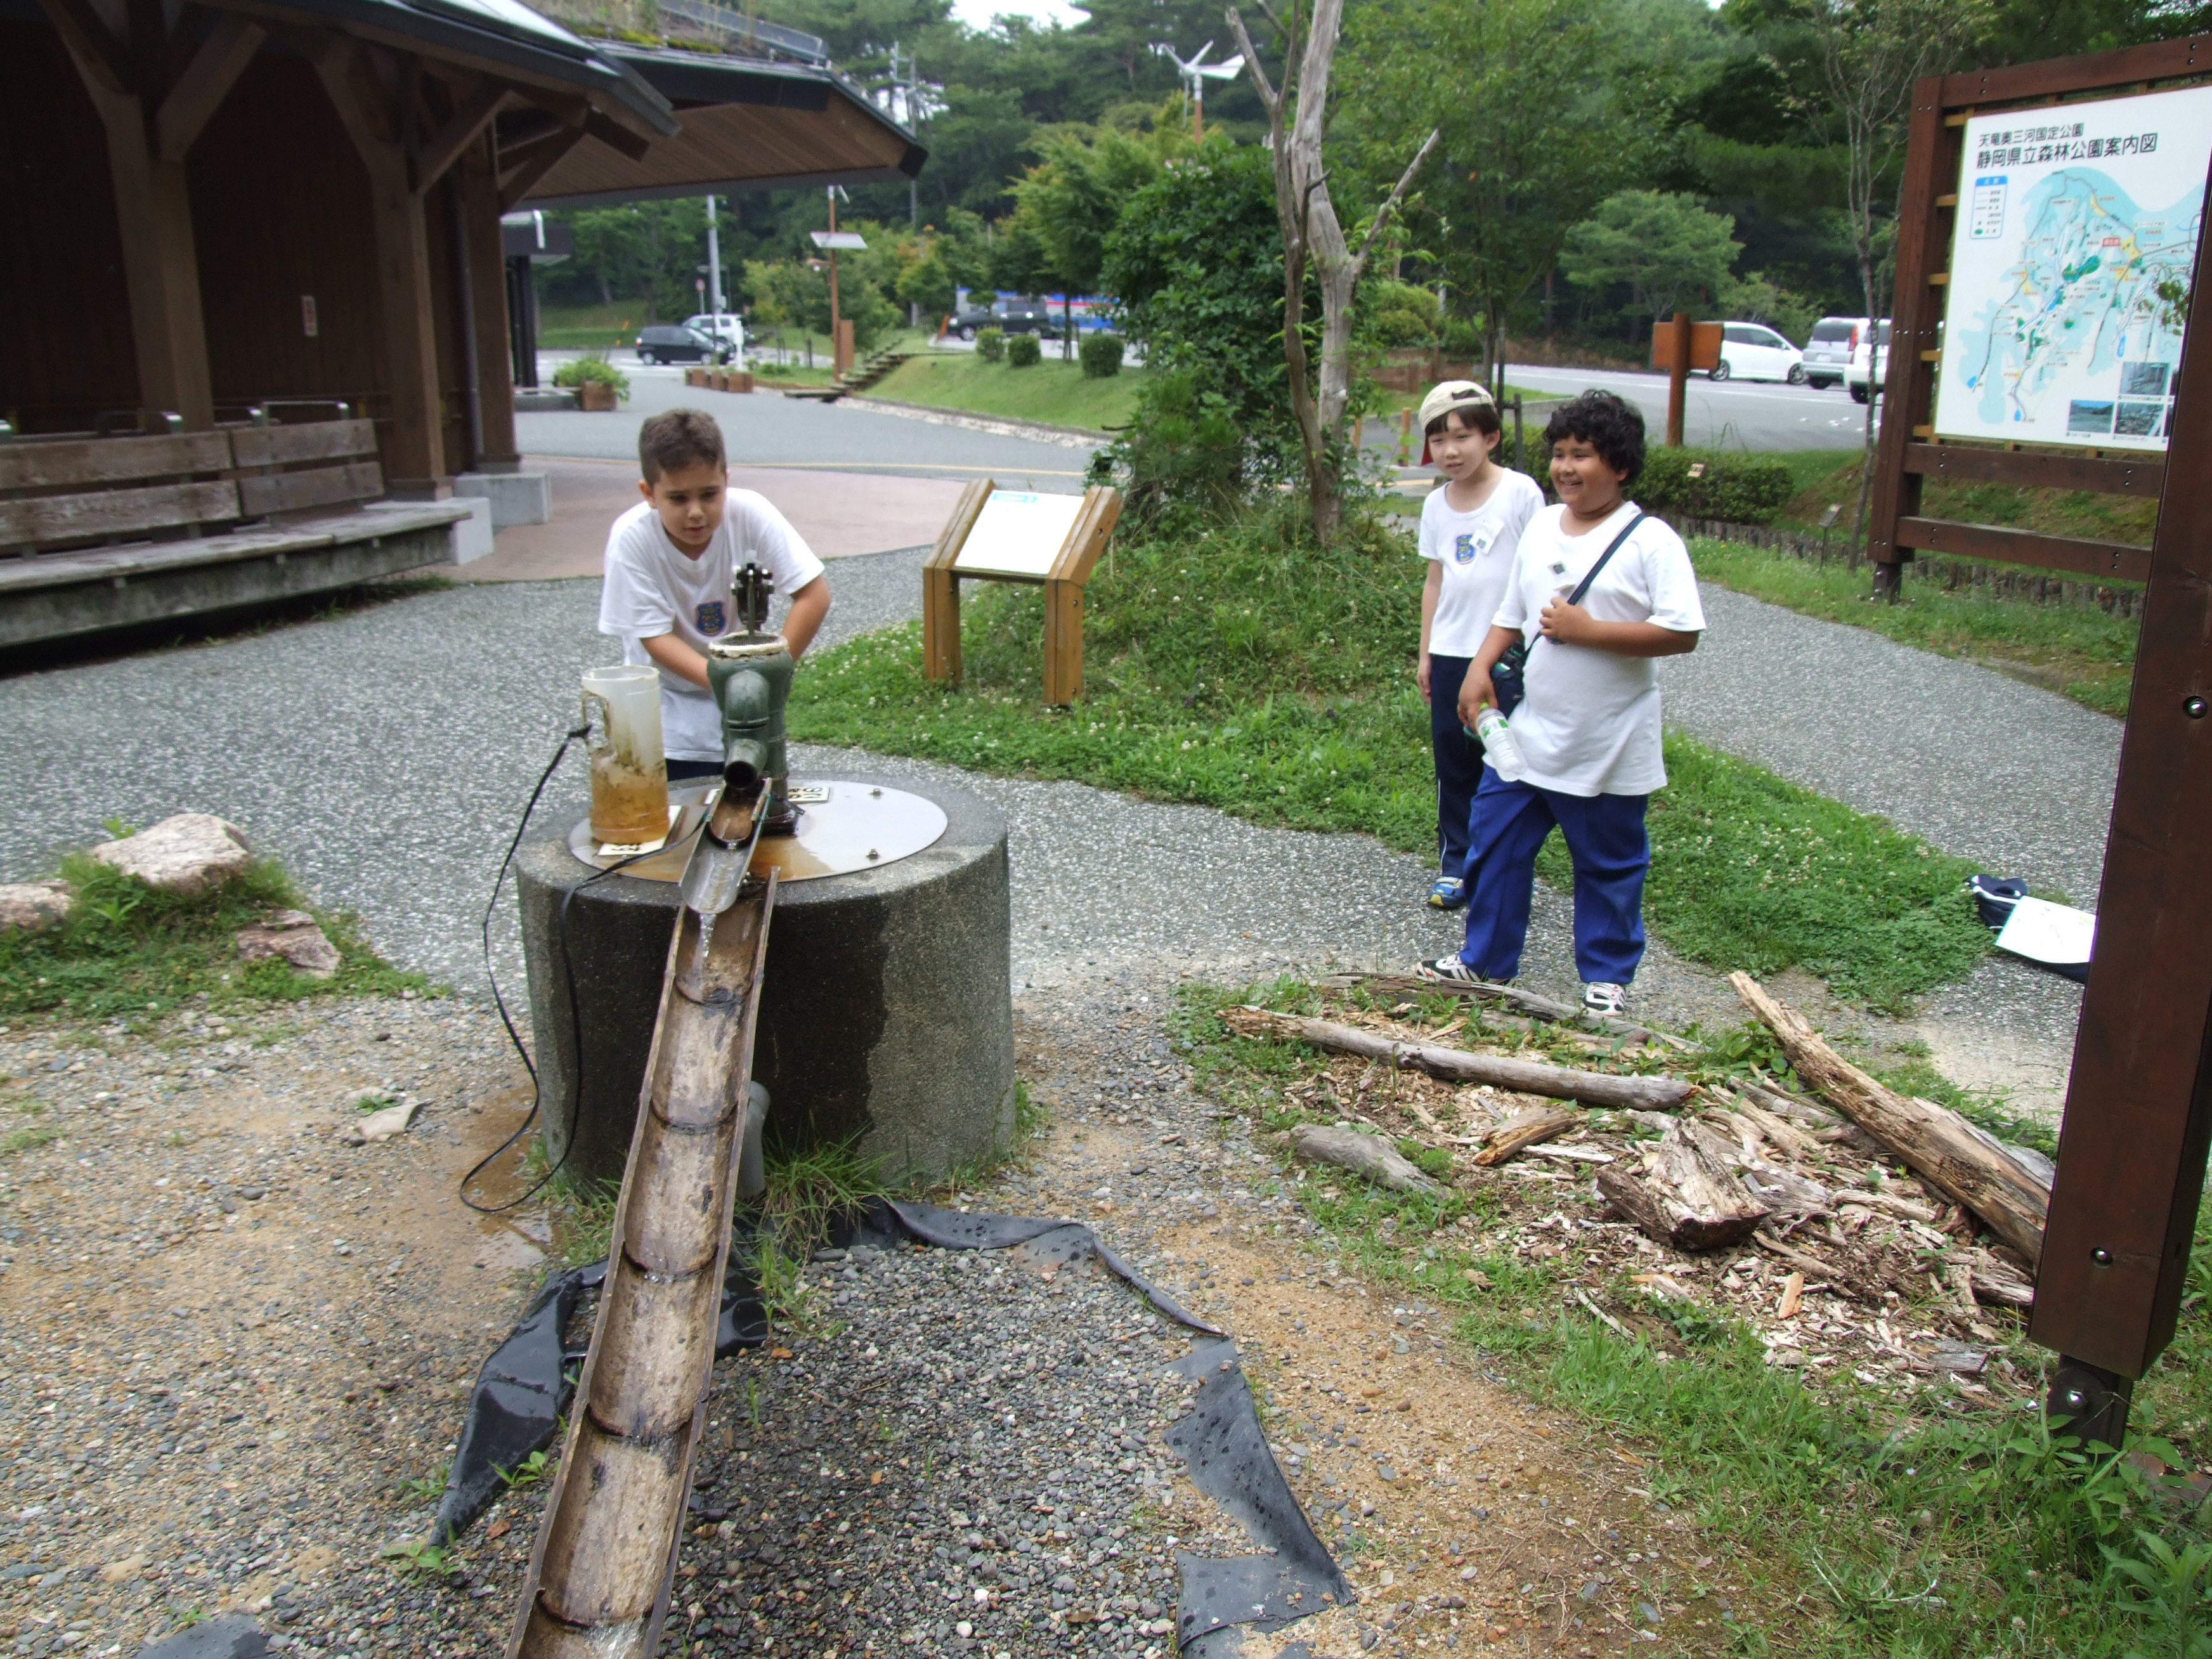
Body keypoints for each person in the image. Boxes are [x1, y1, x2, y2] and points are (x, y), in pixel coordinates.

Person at [1414, 391, 1703, 1017]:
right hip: (1531, 731)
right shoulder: (1543, 523)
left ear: (1620, 466)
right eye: (1559, 455)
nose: (1566, 468)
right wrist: (1478, 669)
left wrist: (1589, 630)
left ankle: (1605, 977)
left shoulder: (1650, 540)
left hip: (1608, 739)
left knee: (1607, 863)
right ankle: (1483, 961)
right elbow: (1512, 610)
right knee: (1493, 841)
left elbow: (1682, 632)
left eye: (1583, 456)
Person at [599, 408, 832, 783]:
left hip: (746, 703)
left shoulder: (751, 512)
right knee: (680, 815)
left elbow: (814, 595)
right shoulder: (631, 539)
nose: (696, 513)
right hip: (664, 711)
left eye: (710, 494)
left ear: (727, 480)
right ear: (649, 494)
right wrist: (736, 683)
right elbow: (656, 637)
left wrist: (769, 673)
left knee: (757, 809)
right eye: (677, 499)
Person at [1413, 381, 1545, 911]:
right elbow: (1434, 582)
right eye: (1440, 440)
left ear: (1490, 437)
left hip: (1507, 654)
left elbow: (1537, 572)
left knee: (1505, 759)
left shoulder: (1521, 493)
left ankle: (1499, 861)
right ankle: (1455, 862)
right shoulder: (1435, 506)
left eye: (1462, 437)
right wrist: (1426, 652)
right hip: (1451, 651)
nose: (1450, 451)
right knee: (1454, 761)